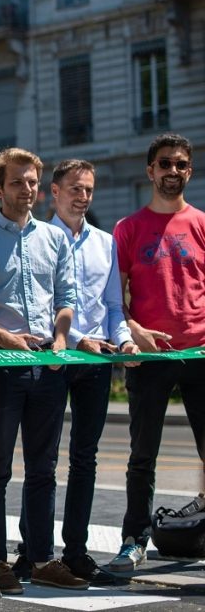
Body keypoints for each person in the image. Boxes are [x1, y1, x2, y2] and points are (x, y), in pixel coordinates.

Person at [0, 147, 86, 593]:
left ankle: (40, 558)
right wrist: (4, 339)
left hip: (48, 365)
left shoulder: (55, 239)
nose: (28, 190)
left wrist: (60, 341)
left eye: (33, 183)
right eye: (18, 182)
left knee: (43, 468)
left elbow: (66, 298)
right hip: (2, 366)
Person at [35, 159, 139, 585]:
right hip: (55, 356)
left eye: (89, 190)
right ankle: (36, 552)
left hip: (96, 363)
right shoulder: (39, 238)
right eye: (75, 189)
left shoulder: (105, 242)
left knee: (85, 459)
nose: (83, 197)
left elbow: (114, 307)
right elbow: (40, 306)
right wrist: (78, 339)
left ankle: (75, 551)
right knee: (43, 460)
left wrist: (126, 339)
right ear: (54, 193)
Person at [109, 133, 205, 571]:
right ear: (150, 171)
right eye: (164, 164)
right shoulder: (128, 229)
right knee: (142, 455)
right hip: (150, 357)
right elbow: (114, 298)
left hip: (201, 353)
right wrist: (131, 328)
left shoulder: (201, 224)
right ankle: (134, 540)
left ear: (189, 170)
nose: (172, 171)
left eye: (180, 164)